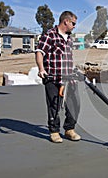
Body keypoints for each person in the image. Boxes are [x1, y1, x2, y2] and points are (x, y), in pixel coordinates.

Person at [35, 11, 81, 143]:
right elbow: (40, 52)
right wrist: (41, 69)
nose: (74, 26)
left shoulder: (69, 38)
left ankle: (69, 129)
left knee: (75, 104)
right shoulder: (50, 35)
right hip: (53, 78)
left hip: (69, 78)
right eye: (73, 23)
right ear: (65, 21)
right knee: (54, 105)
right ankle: (54, 131)